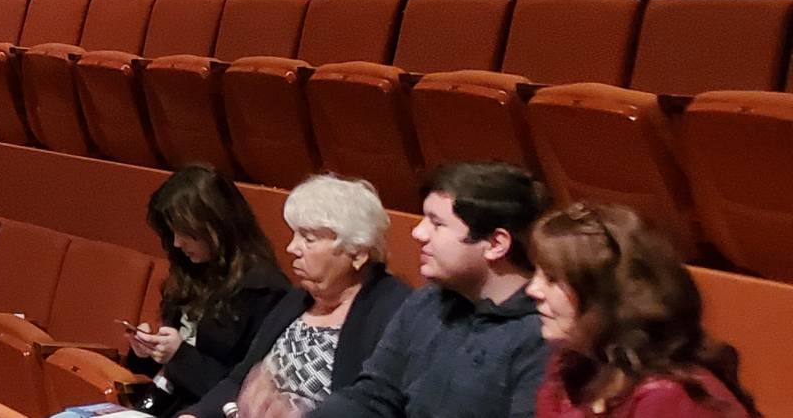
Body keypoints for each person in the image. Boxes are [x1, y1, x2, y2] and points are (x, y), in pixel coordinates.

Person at [309, 163, 548, 418]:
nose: (418, 232)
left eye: (437, 224)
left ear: (495, 244)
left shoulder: (541, 336)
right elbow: (374, 396)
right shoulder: (427, 301)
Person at [192, 175, 412, 418]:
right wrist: (195, 415)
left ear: (357, 252)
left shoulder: (394, 313)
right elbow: (238, 380)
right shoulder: (297, 300)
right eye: (295, 234)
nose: (291, 248)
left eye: (308, 239)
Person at [525, 203, 756, 418]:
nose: (532, 289)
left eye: (552, 279)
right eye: (536, 273)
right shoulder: (570, 366)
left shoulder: (667, 397)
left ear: (605, 296)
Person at [126, 166, 290, 416]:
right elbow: (165, 369)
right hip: (162, 403)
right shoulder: (191, 271)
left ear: (216, 225)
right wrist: (148, 350)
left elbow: (244, 391)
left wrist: (178, 355)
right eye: (171, 233)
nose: (177, 243)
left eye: (185, 233)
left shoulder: (264, 290)